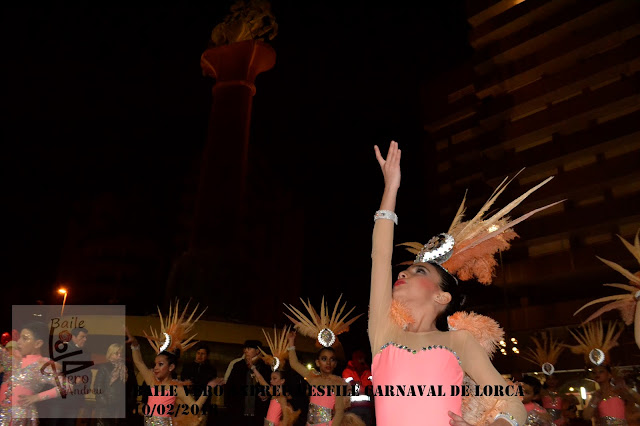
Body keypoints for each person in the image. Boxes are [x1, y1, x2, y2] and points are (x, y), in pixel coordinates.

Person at [369, 141, 549, 425]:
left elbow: (513, 404)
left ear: (442, 296)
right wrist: (391, 187)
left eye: (419, 271)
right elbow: (380, 257)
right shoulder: (384, 332)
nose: (402, 274)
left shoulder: (459, 341)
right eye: (405, 271)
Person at [0, 322, 64, 425]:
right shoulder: (14, 357)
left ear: (38, 344)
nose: (19, 342)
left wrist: (36, 397)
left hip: (20, 416)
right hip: (2, 413)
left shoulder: (43, 365)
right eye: (20, 337)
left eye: (25, 339)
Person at [286, 332, 350, 426]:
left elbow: (339, 412)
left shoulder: (337, 383)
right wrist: (291, 341)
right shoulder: (313, 377)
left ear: (335, 364)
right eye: (324, 359)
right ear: (317, 362)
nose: (328, 363)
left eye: (332, 359)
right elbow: (294, 364)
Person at [224, 340, 272, 426]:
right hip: (238, 410)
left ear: (257, 351)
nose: (246, 351)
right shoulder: (238, 365)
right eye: (245, 348)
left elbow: (271, 385)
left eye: (249, 348)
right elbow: (229, 387)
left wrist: (267, 394)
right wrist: (229, 405)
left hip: (259, 410)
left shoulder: (265, 366)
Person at [94, 343, 135, 426]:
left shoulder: (126, 368)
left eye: (121, 353)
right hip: (106, 407)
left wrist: (129, 402)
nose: (119, 355)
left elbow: (131, 387)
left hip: (120, 406)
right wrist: (104, 402)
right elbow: (97, 386)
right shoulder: (104, 367)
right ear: (110, 354)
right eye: (116, 353)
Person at [341, 350, 373, 426]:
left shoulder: (368, 371)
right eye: (359, 358)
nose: (361, 360)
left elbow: (370, 386)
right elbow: (351, 388)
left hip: (367, 407)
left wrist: (358, 385)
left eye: (362, 358)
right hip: (353, 407)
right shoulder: (347, 371)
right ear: (354, 359)